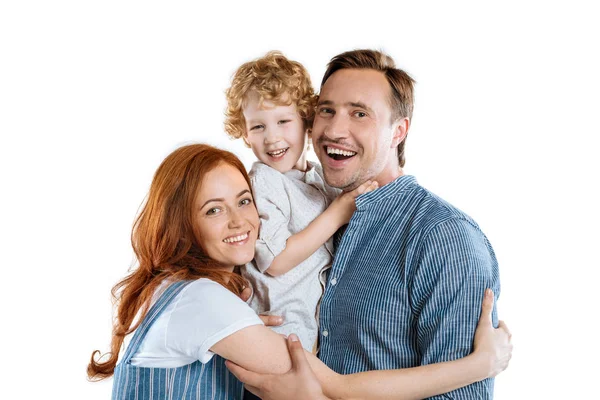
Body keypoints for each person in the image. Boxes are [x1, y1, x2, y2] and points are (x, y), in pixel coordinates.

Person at [88, 143, 511, 400]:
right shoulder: (203, 299)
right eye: (213, 210)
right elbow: (337, 390)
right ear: (182, 223)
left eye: (244, 200)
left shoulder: (173, 291)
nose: (241, 222)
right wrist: (478, 365)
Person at [228, 49, 507, 399]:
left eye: (359, 114)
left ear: (398, 131)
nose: (334, 129)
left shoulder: (444, 238)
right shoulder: (316, 205)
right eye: (326, 110)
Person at [224, 51, 377, 354]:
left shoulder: (319, 177)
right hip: (280, 332)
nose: (272, 138)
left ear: (307, 122)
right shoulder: (263, 181)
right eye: (258, 127)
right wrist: (338, 213)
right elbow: (277, 261)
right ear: (244, 133)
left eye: (283, 121)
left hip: (314, 333)